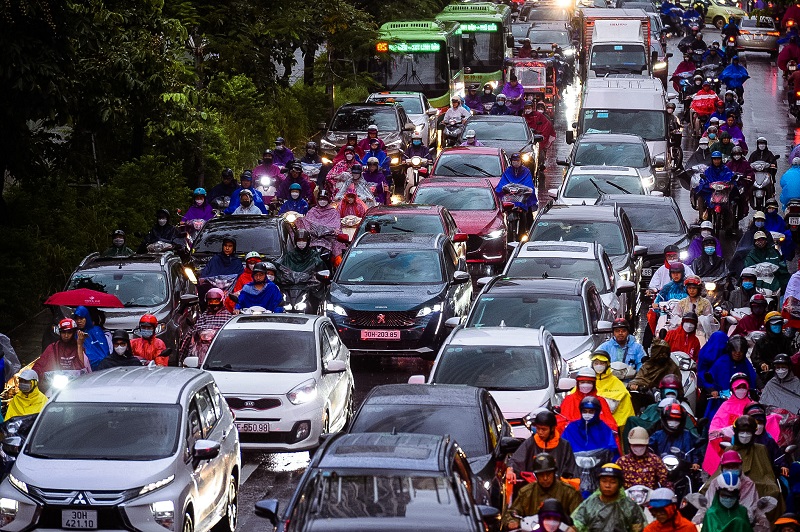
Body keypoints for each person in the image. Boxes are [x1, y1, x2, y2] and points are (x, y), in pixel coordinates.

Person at [504, 453, 583, 530]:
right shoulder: (526, 492)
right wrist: (512, 521)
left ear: (554, 473)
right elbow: (512, 512)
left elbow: (580, 518)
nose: (545, 478)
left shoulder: (569, 492)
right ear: (536, 475)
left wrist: (573, 528)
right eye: (541, 475)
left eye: (548, 474)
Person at [703, 373, 757, 473]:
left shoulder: (752, 406)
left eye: (743, 387)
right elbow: (715, 427)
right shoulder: (725, 406)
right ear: (733, 388)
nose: (741, 390)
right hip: (727, 446)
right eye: (738, 387)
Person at [570, 463, 646, 532]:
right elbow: (576, 524)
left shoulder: (630, 506)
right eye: (604, 481)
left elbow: (639, 528)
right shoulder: (589, 504)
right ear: (599, 483)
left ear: (619, 484)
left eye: (612, 482)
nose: (607, 486)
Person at [508, 410, 576, 482]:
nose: (540, 432)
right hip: (533, 488)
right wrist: (510, 469)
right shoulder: (530, 442)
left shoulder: (564, 446)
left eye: (544, 429)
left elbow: (570, 470)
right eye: (538, 428)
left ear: (552, 429)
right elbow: (516, 461)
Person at [33, 318, 91, 388]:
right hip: (56, 384)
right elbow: (40, 364)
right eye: (63, 332)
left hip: (75, 384)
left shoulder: (79, 347)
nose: (66, 336)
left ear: (74, 333)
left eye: (69, 332)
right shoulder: (53, 347)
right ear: (59, 333)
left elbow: (82, 365)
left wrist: (79, 345)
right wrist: (33, 374)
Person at [558, 367, 619, 433]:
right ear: (578, 383)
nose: (585, 385)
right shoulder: (569, 400)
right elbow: (560, 423)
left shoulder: (600, 401)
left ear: (594, 384)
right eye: (582, 382)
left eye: (589, 382)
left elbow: (611, 425)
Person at [561, 396, 620, 462]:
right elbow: (563, 445)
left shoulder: (604, 428)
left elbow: (612, 449)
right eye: (584, 411)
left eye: (591, 411)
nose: (587, 414)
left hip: (598, 464)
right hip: (574, 465)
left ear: (597, 412)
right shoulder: (572, 427)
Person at [179, 288, 232, 361]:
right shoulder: (204, 315)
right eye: (210, 301)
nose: (213, 303)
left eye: (216, 301)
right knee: (189, 335)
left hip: (221, 347)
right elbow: (196, 329)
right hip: (202, 347)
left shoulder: (227, 316)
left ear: (222, 300)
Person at [702, 450, 760, 516]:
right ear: (722, 468)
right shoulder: (715, 483)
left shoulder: (748, 484)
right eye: (727, 467)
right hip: (717, 520)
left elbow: (749, 509)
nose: (731, 469)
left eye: (734, 466)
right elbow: (708, 505)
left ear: (740, 466)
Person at [650, 402, 701, 469]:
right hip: (660, 469)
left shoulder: (687, 435)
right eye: (670, 419)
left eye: (676, 420)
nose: (673, 422)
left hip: (683, 470)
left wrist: (695, 462)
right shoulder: (657, 435)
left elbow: (695, 450)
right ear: (665, 420)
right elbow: (649, 449)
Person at [592, 351, 635, 431]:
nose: (599, 366)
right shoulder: (589, 380)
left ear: (607, 364)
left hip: (614, 425)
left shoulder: (615, 381)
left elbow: (625, 398)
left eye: (602, 363)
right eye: (596, 363)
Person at [496, 153, 537, 228]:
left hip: (522, 197)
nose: (516, 162)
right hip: (510, 197)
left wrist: (528, 190)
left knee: (528, 213)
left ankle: (528, 228)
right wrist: (502, 189)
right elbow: (503, 182)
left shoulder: (526, 171)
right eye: (514, 160)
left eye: (517, 160)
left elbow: (529, 183)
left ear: (521, 161)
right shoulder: (508, 171)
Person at [752, 311, 793, 380]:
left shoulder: (786, 340)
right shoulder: (761, 342)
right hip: (766, 375)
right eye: (774, 324)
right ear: (768, 325)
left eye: (779, 324)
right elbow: (755, 357)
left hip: (784, 373)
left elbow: (792, 356)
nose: (777, 327)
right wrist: (762, 364)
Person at [695, 151, 734, 217]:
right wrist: (705, 185)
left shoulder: (726, 169)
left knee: (733, 199)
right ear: (712, 160)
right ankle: (701, 217)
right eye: (714, 159)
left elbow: (731, 177)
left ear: (721, 160)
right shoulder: (708, 170)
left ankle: (730, 220)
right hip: (710, 192)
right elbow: (703, 180)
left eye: (718, 159)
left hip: (724, 192)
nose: (716, 161)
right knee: (700, 198)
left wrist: (730, 183)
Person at [72, 306, 109, 370]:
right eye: (76, 319)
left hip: (101, 366)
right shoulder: (74, 333)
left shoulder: (97, 330)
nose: (79, 321)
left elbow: (105, 350)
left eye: (81, 318)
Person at [527, 101, 557, 168]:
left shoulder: (546, 118)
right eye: (539, 108)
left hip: (542, 137)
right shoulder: (533, 116)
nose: (540, 110)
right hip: (532, 137)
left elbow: (549, 128)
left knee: (541, 151)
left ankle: (541, 163)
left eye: (541, 108)